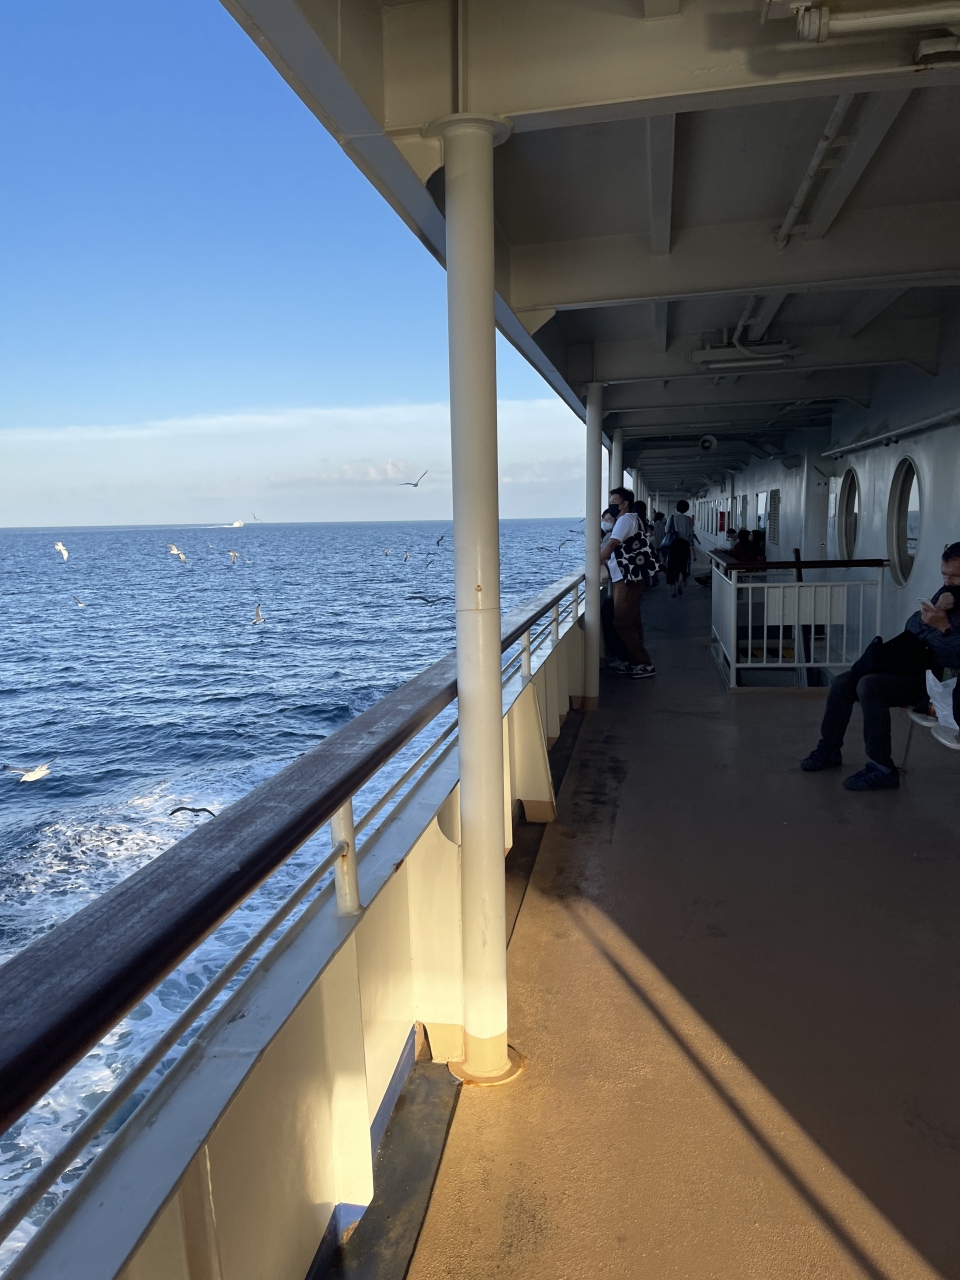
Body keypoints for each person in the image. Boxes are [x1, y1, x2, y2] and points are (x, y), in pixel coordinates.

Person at [801, 541, 960, 790]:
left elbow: (955, 657)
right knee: (844, 682)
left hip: (943, 683)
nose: (948, 581)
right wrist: (926, 617)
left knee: (870, 686)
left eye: (955, 576)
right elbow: (911, 627)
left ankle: (882, 768)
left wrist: (943, 627)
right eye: (944, 575)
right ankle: (828, 750)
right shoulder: (947, 595)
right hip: (916, 666)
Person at [600, 486, 656, 679]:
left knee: (622, 622)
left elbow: (613, 543)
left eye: (614, 503)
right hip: (629, 576)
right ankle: (635, 660)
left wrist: (597, 559)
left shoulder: (625, 519)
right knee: (631, 620)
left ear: (625, 504)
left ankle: (643, 663)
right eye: (610, 503)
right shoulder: (633, 519)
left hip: (626, 578)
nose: (611, 506)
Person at [664, 500, 698, 596]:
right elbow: (691, 533)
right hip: (684, 545)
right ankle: (680, 583)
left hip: (674, 545)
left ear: (677, 508)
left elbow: (666, 530)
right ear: (686, 509)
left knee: (672, 566)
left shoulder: (672, 517)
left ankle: (673, 588)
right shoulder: (689, 519)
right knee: (682, 566)